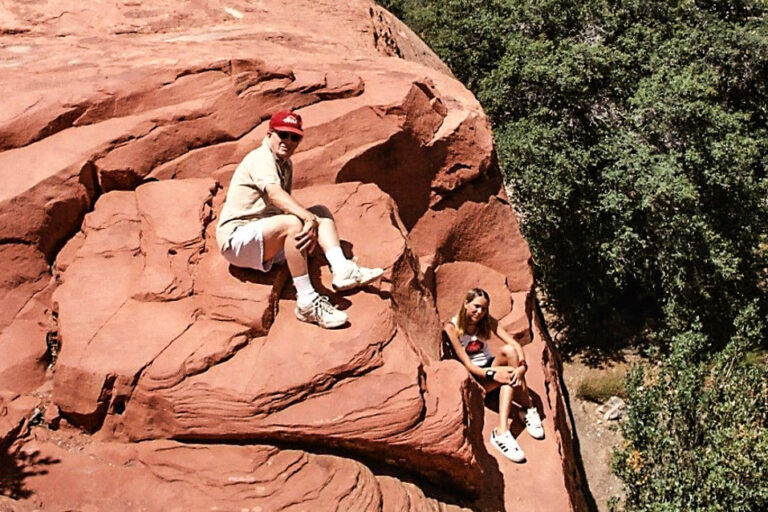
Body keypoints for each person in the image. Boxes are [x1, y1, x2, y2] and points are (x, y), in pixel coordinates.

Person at [216, 110, 383, 328]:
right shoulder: (261, 158)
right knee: (296, 223)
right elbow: (275, 194)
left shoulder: (285, 164)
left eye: (294, 137)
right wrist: (306, 220)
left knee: (321, 213)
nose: (288, 141)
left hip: (264, 236)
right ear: (269, 134)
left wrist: (311, 221)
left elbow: (281, 206)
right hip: (237, 241)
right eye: (282, 134)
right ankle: (306, 302)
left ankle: (343, 270)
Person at [443, 288, 544, 462]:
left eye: (483, 308)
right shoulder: (452, 328)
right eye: (476, 306)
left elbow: (514, 344)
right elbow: (468, 365)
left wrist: (522, 366)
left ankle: (517, 417)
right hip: (476, 377)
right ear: (465, 303)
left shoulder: (486, 321)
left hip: (491, 367)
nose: (479, 312)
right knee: (507, 376)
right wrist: (492, 375)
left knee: (510, 352)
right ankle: (506, 428)